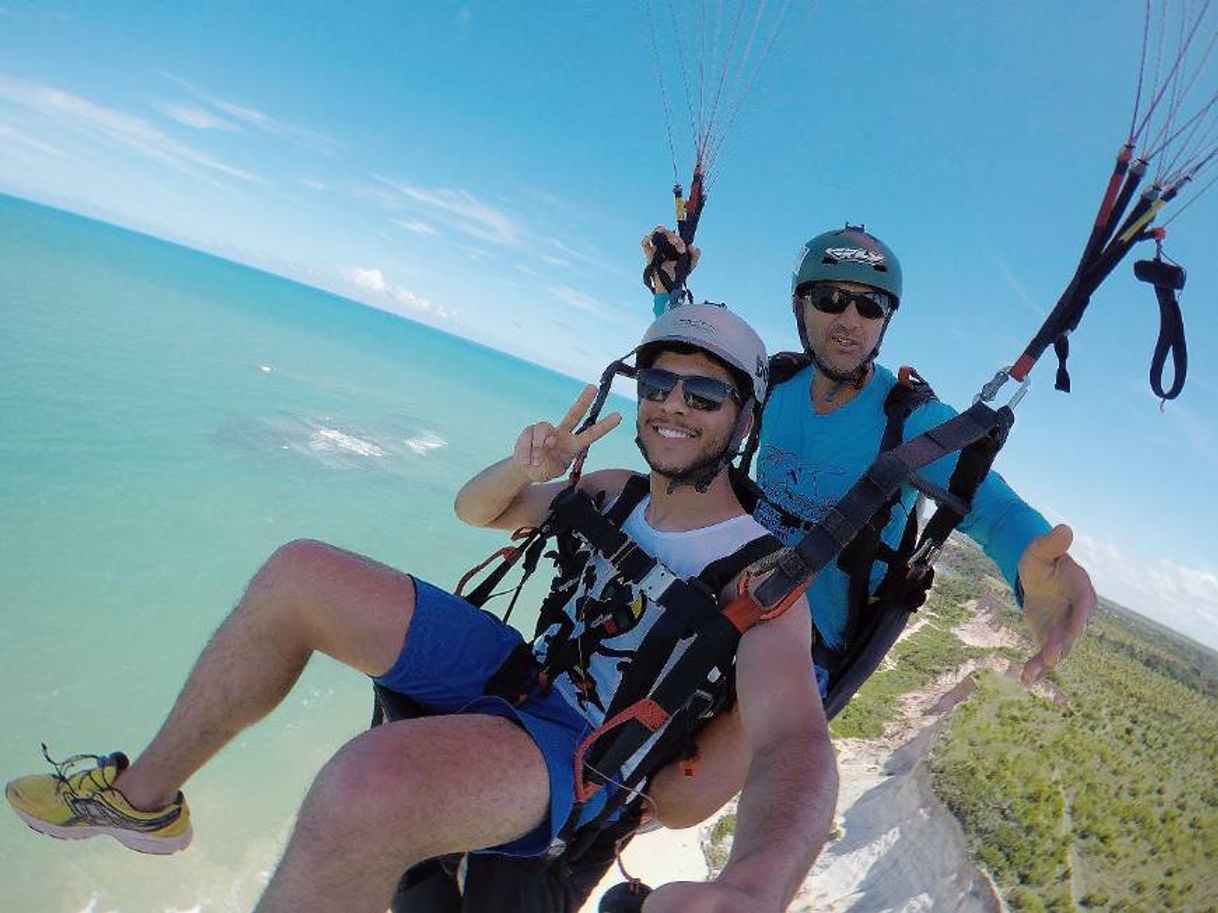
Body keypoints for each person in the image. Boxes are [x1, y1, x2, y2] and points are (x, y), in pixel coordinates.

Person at [6, 304, 838, 913]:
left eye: (704, 394)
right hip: (514, 667)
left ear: (742, 419)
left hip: (578, 750)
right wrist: (524, 464)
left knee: (366, 787)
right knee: (299, 572)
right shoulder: (615, 490)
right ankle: (143, 799)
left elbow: (795, 735)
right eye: (661, 383)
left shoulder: (761, 577)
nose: (674, 406)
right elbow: (478, 511)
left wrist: (756, 884)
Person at [636, 224, 1097, 823]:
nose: (848, 319)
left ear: (885, 320)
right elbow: (698, 365)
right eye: (829, 299)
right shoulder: (771, 383)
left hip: (809, 640)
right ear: (799, 306)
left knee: (679, 801)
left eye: (869, 305)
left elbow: (988, 503)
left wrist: (1037, 570)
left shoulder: (910, 419)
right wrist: (668, 290)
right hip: (720, 590)